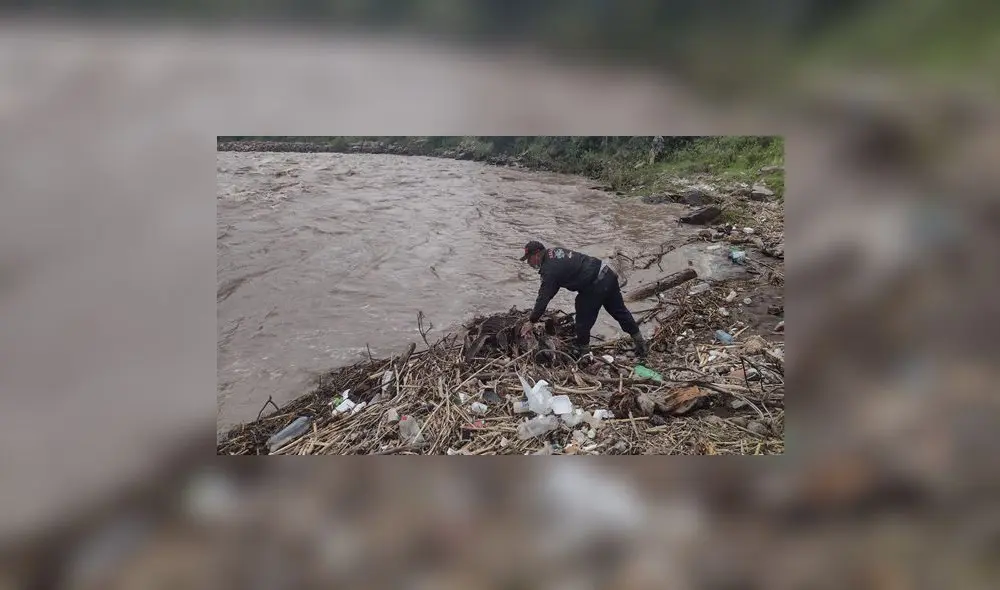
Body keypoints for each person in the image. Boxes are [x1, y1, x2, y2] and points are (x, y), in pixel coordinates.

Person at [518, 240, 647, 358]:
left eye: (529, 260)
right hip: (607, 274)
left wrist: (532, 321)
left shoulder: (549, 270)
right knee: (620, 312)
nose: (529, 263)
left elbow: (544, 297)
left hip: (595, 285)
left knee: (582, 317)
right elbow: (552, 288)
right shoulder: (554, 252)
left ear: (536, 255)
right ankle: (641, 344)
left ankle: (583, 352)